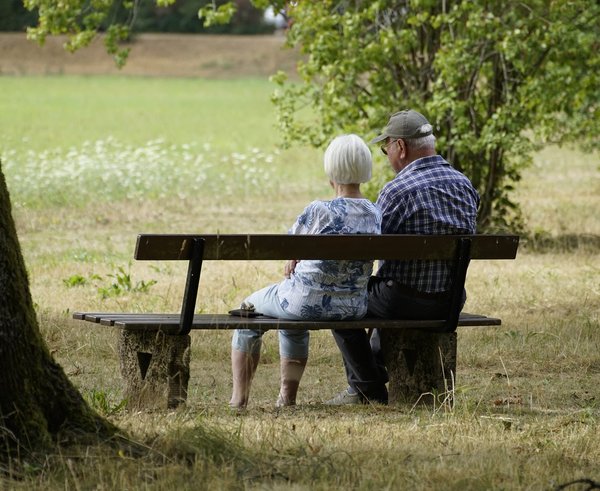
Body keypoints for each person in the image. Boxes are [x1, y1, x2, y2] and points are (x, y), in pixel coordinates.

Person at [326, 109, 480, 405]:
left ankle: (366, 388)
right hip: (450, 301)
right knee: (384, 290)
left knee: (339, 298)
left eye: (386, 149)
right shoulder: (465, 185)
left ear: (400, 147)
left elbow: (370, 249)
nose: (387, 156)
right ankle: (371, 377)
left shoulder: (397, 191)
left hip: (403, 301)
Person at [229, 134, 382, 409]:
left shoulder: (319, 210)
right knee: (290, 316)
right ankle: (286, 398)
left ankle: (238, 400)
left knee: (248, 309)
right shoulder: (375, 212)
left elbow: (289, 246)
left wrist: (294, 257)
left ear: (331, 170)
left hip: (304, 302)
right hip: (352, 307)